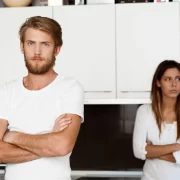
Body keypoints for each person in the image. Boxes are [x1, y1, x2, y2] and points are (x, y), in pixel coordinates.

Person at [0, 16, 84, 180]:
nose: (37, 52)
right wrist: (48, 141)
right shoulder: (6, 91)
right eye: (31, 43)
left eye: (45, 44)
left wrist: (12, 136)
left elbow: (62, 146)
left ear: (57, 49)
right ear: (22, 47)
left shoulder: (70, 88)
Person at [133, 60, 180, 180]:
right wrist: (176, 147)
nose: (174, 84)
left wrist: (151, 151)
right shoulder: (144, 111)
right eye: (168, 79)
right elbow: (138, 151)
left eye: (178, 79)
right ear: (158, 83)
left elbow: (144, 151)